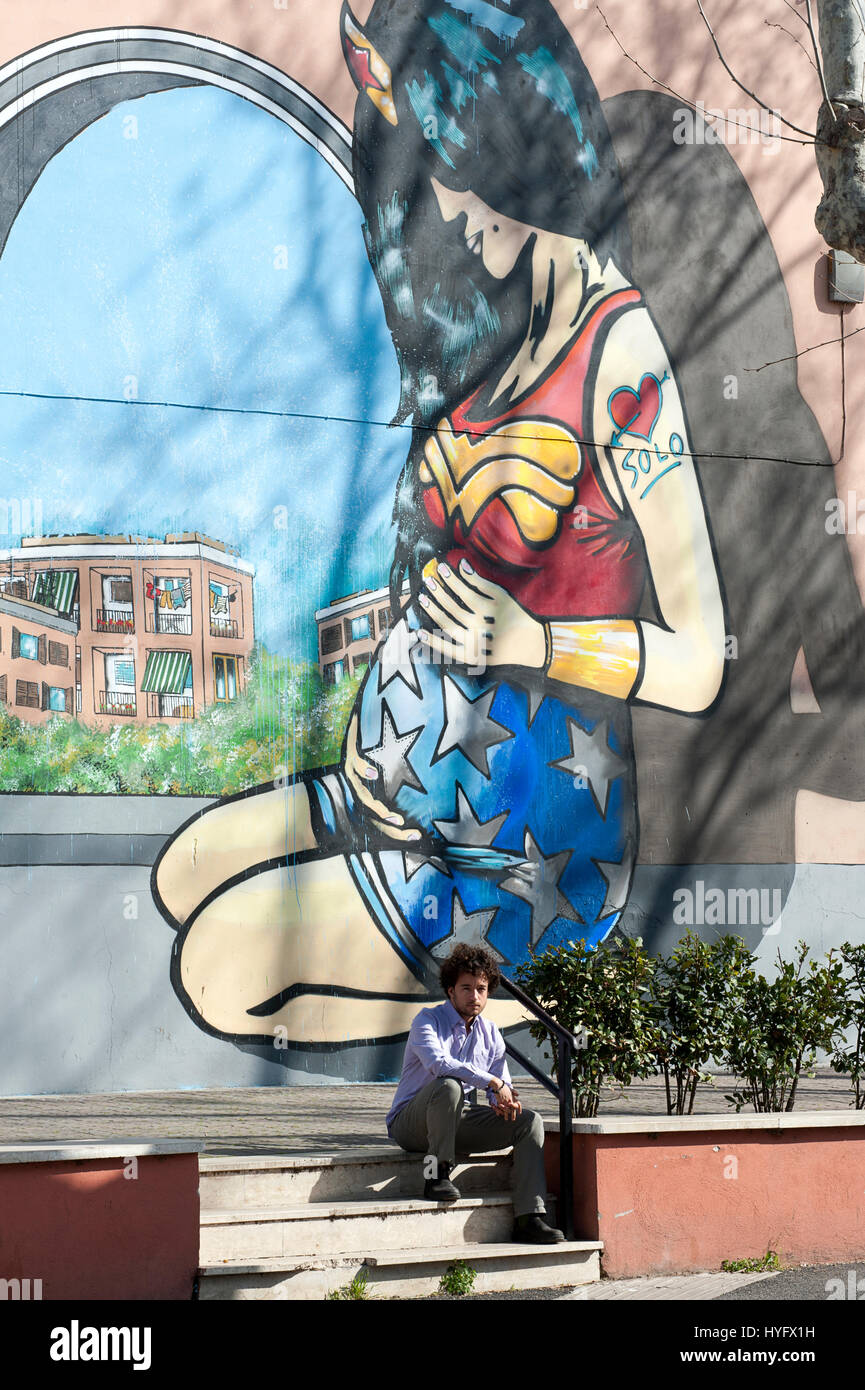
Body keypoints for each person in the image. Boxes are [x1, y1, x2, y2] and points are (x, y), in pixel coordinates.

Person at [153, 0, 724, 1048]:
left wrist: (530, 641)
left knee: (218, 964)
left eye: (452, 176)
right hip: (402, 783)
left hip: (521, 840)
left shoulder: (619, 353)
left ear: (519, 151)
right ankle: (461, 1017)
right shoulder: (482, 331)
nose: (443, 211)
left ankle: (487, 1031)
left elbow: (697, 661)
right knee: (181, 869)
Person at [387, 943, 564, 1243]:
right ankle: (437, 1176)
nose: (474, 996)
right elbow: (439, 1064)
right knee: (449, 1085)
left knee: (529, 1122)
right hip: (411, 1122)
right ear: (450, 990)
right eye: (466, 988)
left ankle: (529, 1217)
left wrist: (501, 1102)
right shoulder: (426, 1021)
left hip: (456, 1120)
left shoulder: (491, 1033)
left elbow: (500, 1083)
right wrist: (492, 1084)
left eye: (481, 988)